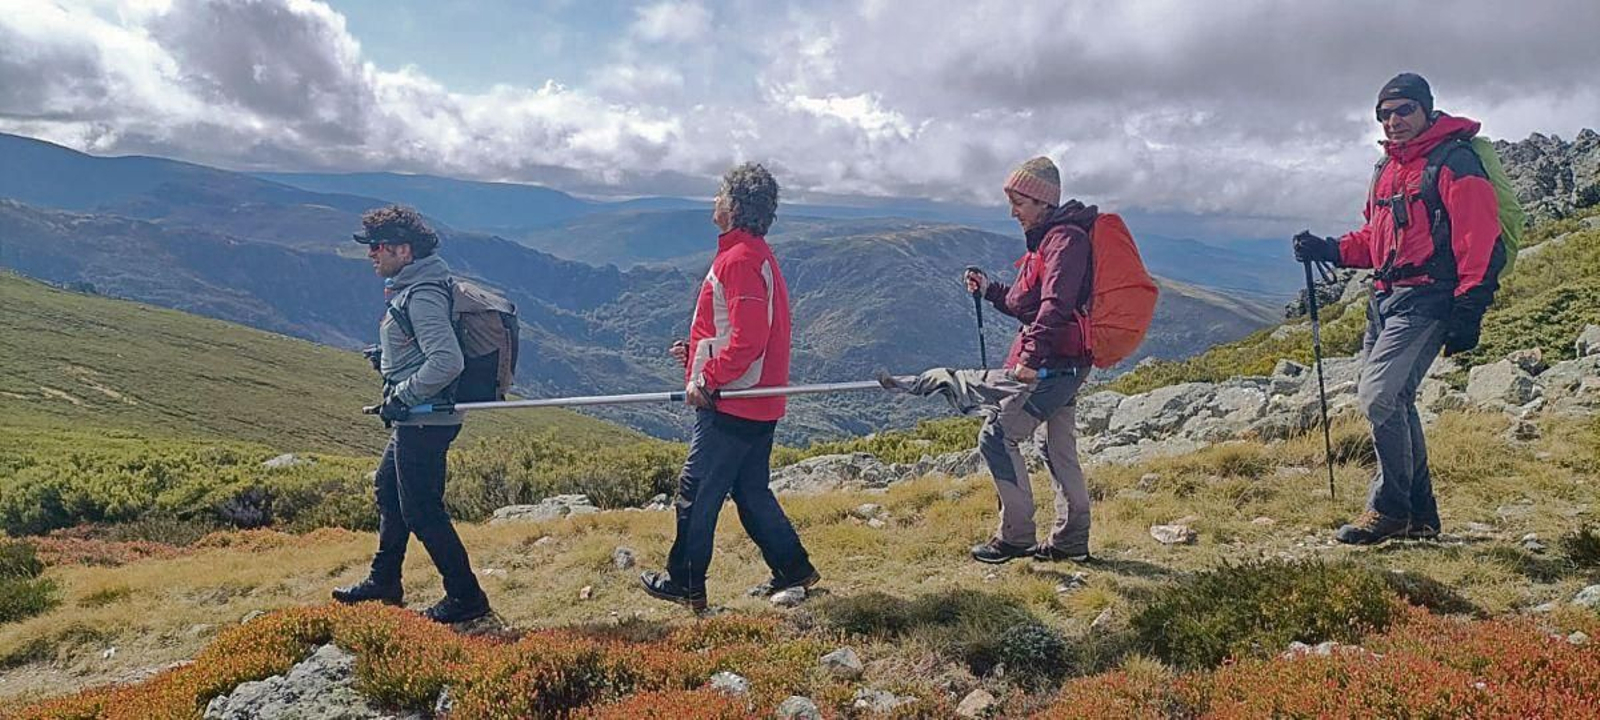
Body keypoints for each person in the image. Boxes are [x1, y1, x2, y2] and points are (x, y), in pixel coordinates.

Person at [1292, 73, 1505, 545]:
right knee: (1395, 402)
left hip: (1428, 298)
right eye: (1385, 114)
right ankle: (1421, 515)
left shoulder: (1455, 161)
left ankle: (1389, 509)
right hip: (1385, 299)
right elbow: (1376, 241)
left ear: (1427, 110)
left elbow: (1480, 237)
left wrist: (1470, 307)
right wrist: (1327, 248)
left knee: (1378, 397)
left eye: (1404, 110)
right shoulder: (1387, 169)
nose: (1394, 120)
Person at [639, 163, 818, 611]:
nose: (714, 203)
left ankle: (685, 582)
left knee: (696, 491)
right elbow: (742, 331)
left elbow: (748, 339)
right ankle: (793, 568)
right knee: (751, 491)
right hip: (759, 398)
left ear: (735, 206)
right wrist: (697, 352)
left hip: (734, 400)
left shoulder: (738, 260)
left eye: (720, 195)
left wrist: (708, 377)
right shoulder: (755, 254)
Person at [333, 205, 491, 624]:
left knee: (422, 509)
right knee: (389, 490)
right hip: (417, 415)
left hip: (426, 417)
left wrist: (402, 392)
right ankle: (384, 581)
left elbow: (446, 361)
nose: (371, 254)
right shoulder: (416, 285)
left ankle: (466, 598)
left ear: (404, 250)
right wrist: (388, 357)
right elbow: (424, 350)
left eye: (378, 246)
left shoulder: (421, 293)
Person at [955, 156, 1098, 564]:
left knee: (997, 437)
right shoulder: (1050, 239)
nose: (1013, 211)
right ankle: (1071, 540)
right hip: (1067, 362)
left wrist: (1030, 359)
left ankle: (1015, 537)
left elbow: (1054, 307)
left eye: (1019, 202)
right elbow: (1026, 304)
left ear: (1043, 201)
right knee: (1056, 447)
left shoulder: (1064, 241)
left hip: (1055, 366)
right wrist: (989, 289)